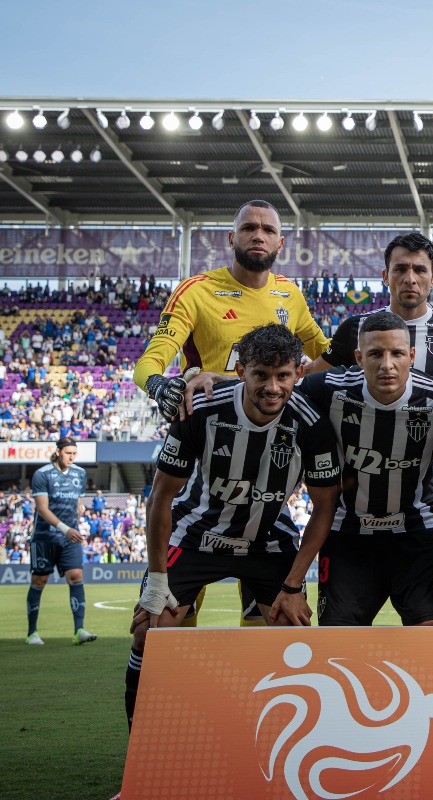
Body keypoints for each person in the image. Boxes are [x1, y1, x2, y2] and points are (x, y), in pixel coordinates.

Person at [123, 324, 342, 727]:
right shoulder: (200, 408)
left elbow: (325, 506)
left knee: (292, 636)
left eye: (283, 376)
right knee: (149, 632)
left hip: (268, 544)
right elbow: (161, 497)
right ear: (240, 370)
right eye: (261, 375)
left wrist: (293, 587)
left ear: (298, 373)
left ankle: (264, 751)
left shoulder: (312, 424)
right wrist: (156, 579)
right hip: (195, 536)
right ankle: (140, 762)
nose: (273, 387)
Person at [133, 199, 331, 626]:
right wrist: (165, 385)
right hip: (204, 449)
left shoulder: (289, 294)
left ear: (281, 241)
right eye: (248, 228)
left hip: (268, 455)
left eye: (267, 229)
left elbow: (326, 355)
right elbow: (149, 363)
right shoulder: (197, 290)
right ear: (231, 238)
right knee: (170, 620)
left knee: (267, 623)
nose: (257, 235)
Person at [301, 311, 433, 626]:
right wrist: (210, 379)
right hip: (349, 533)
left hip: (418, 531)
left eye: (397, 353)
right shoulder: (327, 388)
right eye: (375, 354)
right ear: (358, 357)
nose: (387, 364)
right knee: (338, 642)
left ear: (411, 355)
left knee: (430, 637)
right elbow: (271, 392)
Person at [308, 232, 433, 397]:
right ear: (386, 276)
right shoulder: (355, 328)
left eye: (419, 270)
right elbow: (309, 381)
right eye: (400, 269)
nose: (410, 279)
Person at [26, 437, 96, 645]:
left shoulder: (80, 474)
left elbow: (78, 502)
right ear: (57, 452)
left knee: (76, 576)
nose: (72, 457)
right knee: (39, 581)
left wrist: (78, 516)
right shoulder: (42, 474)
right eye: (68, 453)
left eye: (74, 453)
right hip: (45, 537)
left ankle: (79, 630)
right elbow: (42, 509)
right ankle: (32, 632)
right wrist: (66, 529)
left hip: (69, 537)